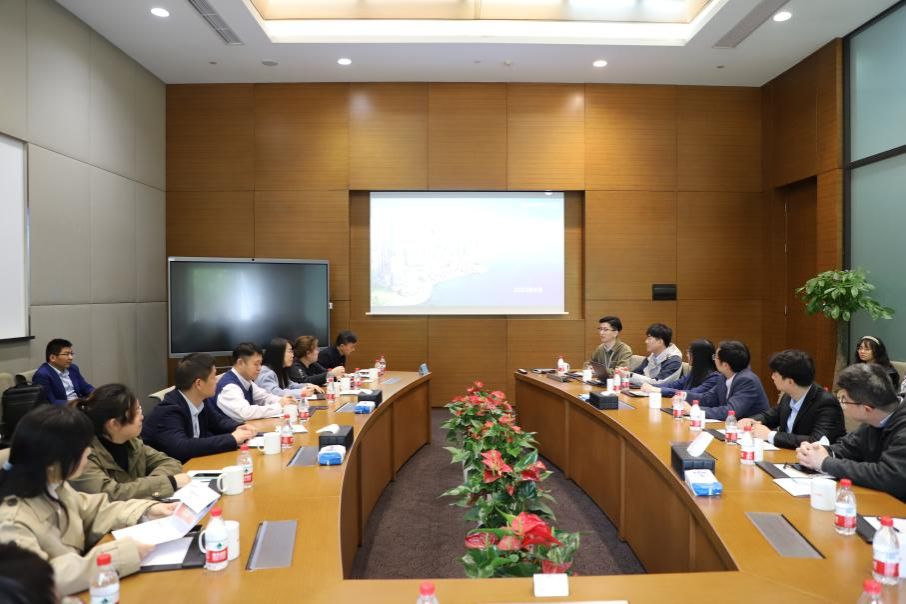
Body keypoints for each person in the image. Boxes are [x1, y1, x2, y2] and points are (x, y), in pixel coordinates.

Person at [0, 406, 176, 596]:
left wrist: (147, 511)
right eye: (81, 448)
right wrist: (120, 555)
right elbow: (41, 579)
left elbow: (96, 510)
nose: (88, 452)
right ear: (52, 460)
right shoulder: (12, 522)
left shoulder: (54, 485)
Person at [797, 363, 906, 502]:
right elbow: (850, 446)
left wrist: (825, 462)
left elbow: (889, 476)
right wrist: (821, 451)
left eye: (844, 400)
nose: (841, 404)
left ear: (866, 409)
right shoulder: (875, 418)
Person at [68, 384, 189, 501]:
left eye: (139, 408)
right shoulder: (83, 456)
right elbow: (110, 495)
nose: (142, 417)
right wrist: (167, 483)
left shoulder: (131, 442)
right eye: (135, 412)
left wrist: (151, 484)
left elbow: (170, 463)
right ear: (114, 424)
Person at [141, 353, 256, 463]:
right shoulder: (169, 411)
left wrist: (239, 427)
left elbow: (218, 422)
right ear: (199, 384)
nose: (216, 380)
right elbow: (182, 447)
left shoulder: (200, 400)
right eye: (213, 377)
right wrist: (232, 439)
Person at [737, 350, 845, 449]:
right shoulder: (789, 396)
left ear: (790, 382)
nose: (772, 377)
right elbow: (770, 416)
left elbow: (817, 441)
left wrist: (770, 435)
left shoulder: (826, 403)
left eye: (775, 374)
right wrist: (751, 420)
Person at [214, 342, 296, 422]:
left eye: (260, 364)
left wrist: (284, 400)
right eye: (256, 364)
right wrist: (279, 406)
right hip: (228, 430)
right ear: (240, 363)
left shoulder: (246, 380)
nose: (259, 368)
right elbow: (245, 413)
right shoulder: (229, 387)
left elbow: (264, 397)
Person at [688, 340, 769, 420]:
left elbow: (730, 411)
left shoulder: (747, 381)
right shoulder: (723, 377)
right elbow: (707, 398)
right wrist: (683, 396)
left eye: (715, 357)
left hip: (751, 426)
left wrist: (695, 410)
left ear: (725, 365)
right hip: (732, 425)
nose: (714, 359)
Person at [641, 339, 721, 398]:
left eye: (689, 352)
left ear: (698, 356)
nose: (687, 355)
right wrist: (651, 386)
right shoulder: (694, 372)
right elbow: (673, 385)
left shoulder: (714, 378)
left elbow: (691, 393)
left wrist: (659, 390)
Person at [32, 338, 94, 405]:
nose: (71, 357)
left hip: (80, 404)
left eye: (71, 354)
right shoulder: (42, 375)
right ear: (52, 358)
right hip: (62, 409)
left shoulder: (73, 368)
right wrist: (78, 402)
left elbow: (85, 387)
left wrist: (96, 394)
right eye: (66, 354)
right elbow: (51, 402)